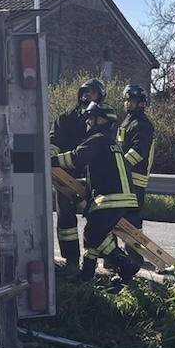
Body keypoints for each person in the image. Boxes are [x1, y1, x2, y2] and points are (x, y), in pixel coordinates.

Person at [52, 101, 140, 284]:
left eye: (92, 118)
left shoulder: (97, 139)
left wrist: (48, 160)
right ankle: (86, 275)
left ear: (103, 121)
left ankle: (126, 264)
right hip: (126, 199)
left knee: (93, 234)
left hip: (110, 200)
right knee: (93, 236)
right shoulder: (111, 143)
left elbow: (75, 158)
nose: (88, 122)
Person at [50, 77, 106, 268]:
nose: (88, 96)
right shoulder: (65, 119)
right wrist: (50, 162)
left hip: (93, 179)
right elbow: (53, 142)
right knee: (65, 218)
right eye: (85, 92)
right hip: (64, 177)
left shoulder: (101, 121)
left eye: (93, 93)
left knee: (99, 219)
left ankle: (103, 259)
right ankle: (71, 258)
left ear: (100, 97)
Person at [118, 84, 155, 240]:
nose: (128, 104)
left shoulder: (142, 124)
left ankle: (135, 255)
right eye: (127, 101)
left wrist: (118, 167)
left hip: (135, 179)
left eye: (132, 101)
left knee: (132, 219)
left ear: (141, 103)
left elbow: (138, 152)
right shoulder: (128, 121)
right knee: (119, 217)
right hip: (124, 176)